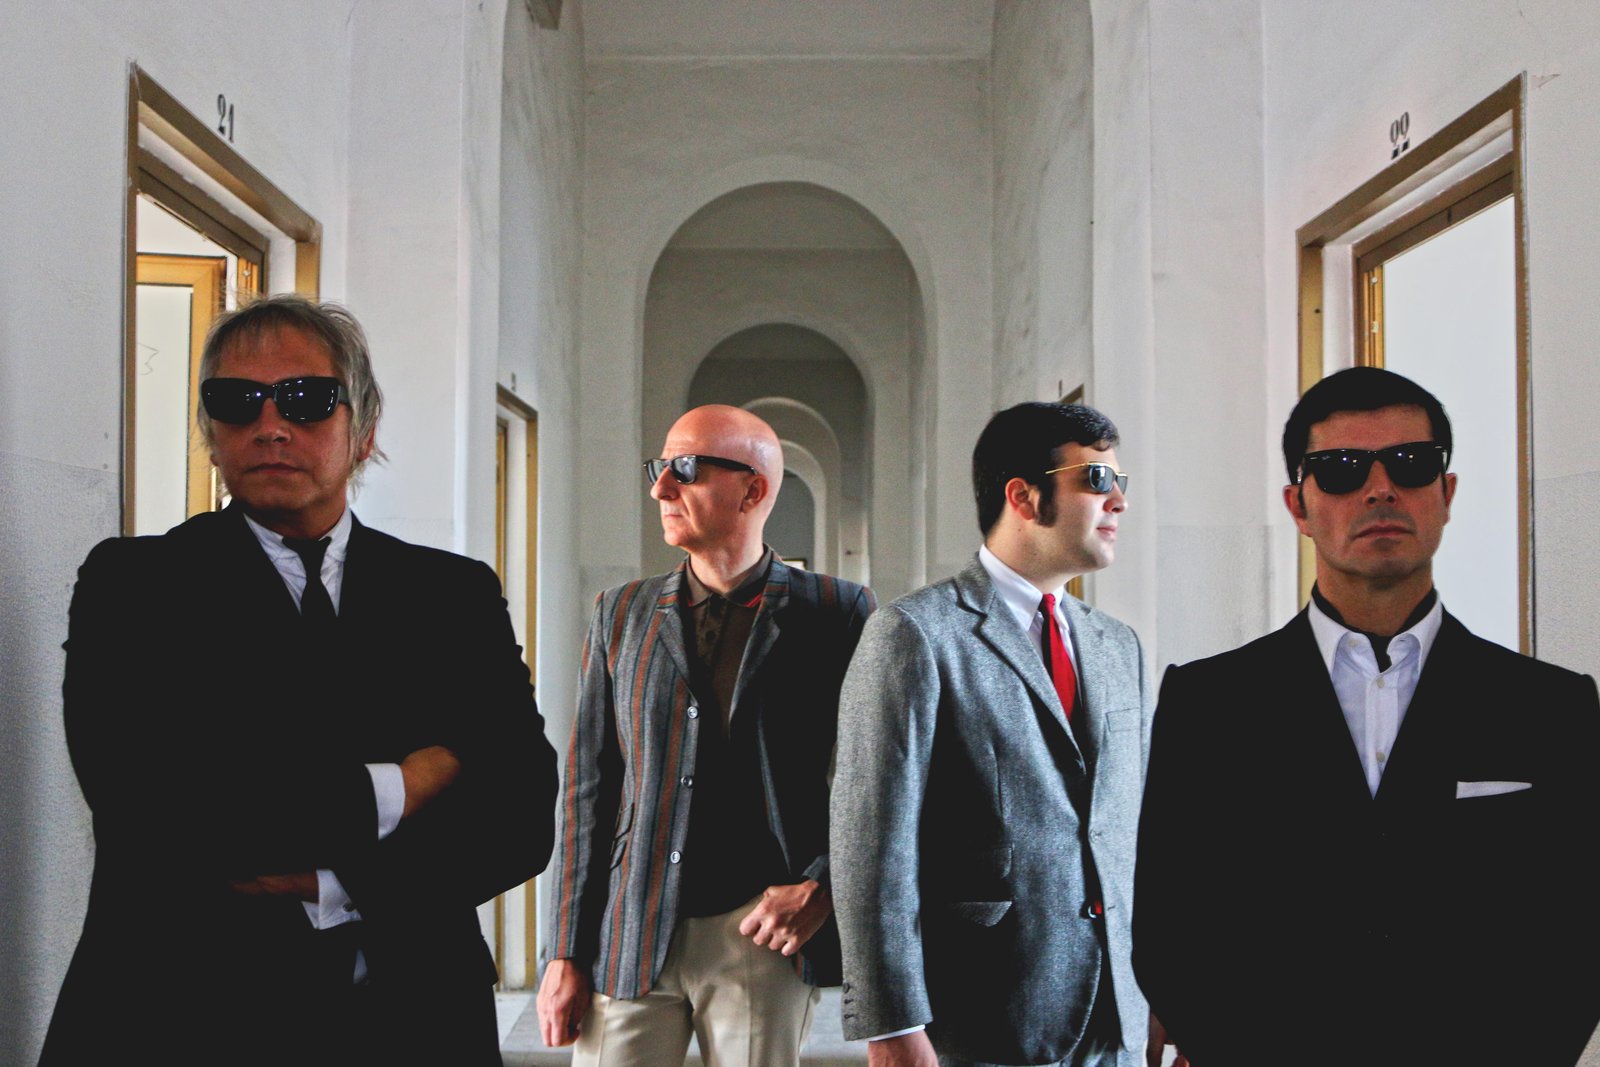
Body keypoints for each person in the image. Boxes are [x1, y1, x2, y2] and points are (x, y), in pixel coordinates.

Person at [40, 295, 557, 1066]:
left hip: (416, 1017)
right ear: (210, 431)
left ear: (364, 430)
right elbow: (157, 809)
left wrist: (330, 880)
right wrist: (405, 785)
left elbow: (520, 814)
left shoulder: (453, 596)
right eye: (237, 400)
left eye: (307, 399)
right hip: (180, 1017)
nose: (271, 425)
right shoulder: (135, 586)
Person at [1134, 366, 1600, 1066]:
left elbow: (1579, 931)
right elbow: (1171, 924)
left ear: (1446, 493)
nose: (1380, 489)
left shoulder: (1550, 707)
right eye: (1342, 469)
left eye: (1410, 463)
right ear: (1299, 505)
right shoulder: (1209, 702)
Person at [536, 404, 874, 1067]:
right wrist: (565, 950)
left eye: (685, 469)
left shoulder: (836, 612)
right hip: (632, 927)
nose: (661, 488)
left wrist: (826, 885)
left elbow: (882, 776)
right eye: (660, 468)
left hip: (763, 932)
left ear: (753, 490)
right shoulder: (620, 613)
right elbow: (587, 791)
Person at [832, 401, 1160, 1067]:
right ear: (1024, 496)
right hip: (984, 1015)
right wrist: (891, 1024)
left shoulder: (1117, 645)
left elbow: (1139, 834)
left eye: (1120, 482)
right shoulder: (915, 634)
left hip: (1115, 1019)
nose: (1119, 501)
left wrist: (1164, 995)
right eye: (1097, 480)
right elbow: (870, 845)